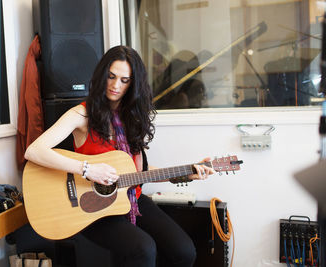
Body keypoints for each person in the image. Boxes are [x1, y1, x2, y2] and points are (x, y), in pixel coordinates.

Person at [25, 45, 215, 267]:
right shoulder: (82, 114)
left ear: (133, 84)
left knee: (184, 251)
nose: (115, 85)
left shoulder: (131, 119)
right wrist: (87, 169)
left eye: (124, 80)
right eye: (111, 76)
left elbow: (139, 173)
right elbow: (34, 151)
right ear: (102, 75)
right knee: (143, 249)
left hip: (130, 199)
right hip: (91, 208)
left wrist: (186, 174)